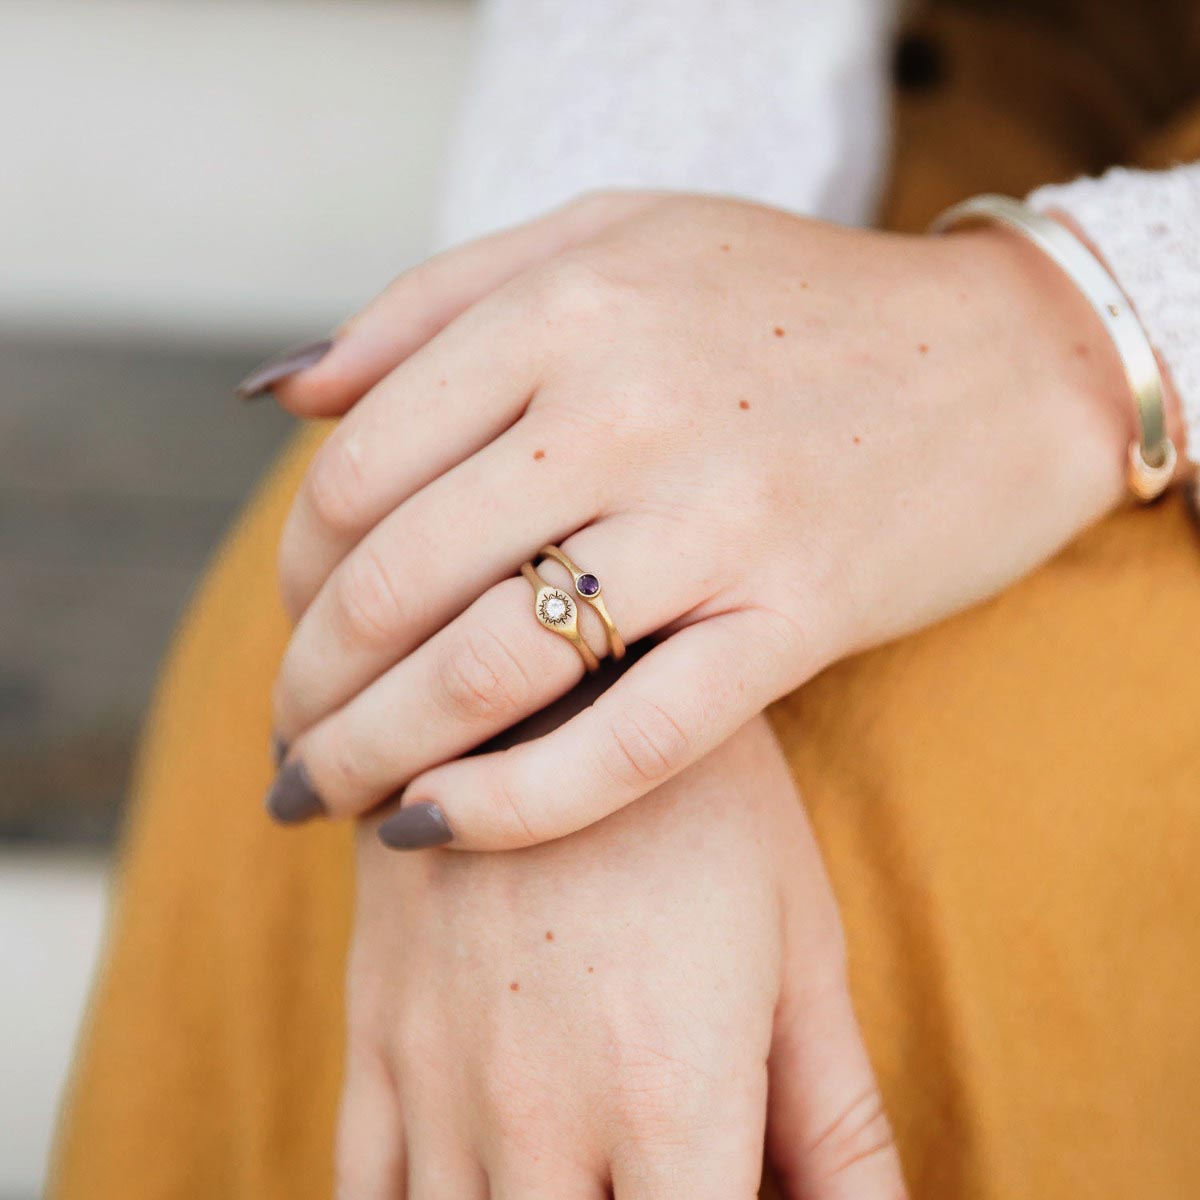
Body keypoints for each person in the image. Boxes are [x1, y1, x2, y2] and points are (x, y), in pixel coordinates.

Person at [52, 2, 1200, 1197]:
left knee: (927, 780)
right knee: (354, 591)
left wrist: (1079, 331)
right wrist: (567, 606)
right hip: (966, 90)